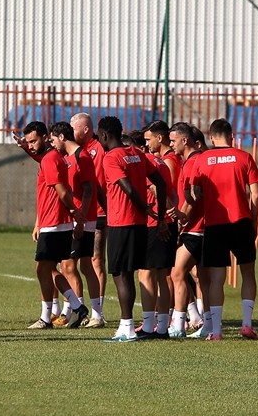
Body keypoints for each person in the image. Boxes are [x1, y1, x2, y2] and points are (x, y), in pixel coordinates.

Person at [96, 116, 167, 342]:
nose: (98, 139)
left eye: (99, 136)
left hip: (121, 222)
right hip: (138, 224)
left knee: (120, 274)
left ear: (105, 135)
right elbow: (161, 182)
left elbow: (126, 188)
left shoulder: (111, 157)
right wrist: (161, 214)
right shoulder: (137, 154)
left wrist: (146, 208)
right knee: (129, 274)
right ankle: (129, 325)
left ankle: (126, 327)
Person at [190, 118, 258, 340]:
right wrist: (253, 220)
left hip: (214, 224)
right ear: (231, 136)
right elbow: (256, 194)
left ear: (211, 137)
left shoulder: (202, 159)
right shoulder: (244, 157)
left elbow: (195, 193)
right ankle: (247, 324)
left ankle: (217, 331)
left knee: (216, 278)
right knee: (248, 273)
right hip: (241, 221)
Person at [23, 121, 88, 329]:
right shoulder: (52, 158)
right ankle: (76, 306)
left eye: (33, 141)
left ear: (45, 137)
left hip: (54, 224)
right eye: (28, 142)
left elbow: (61, 191)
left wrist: (74, 211)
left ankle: (47, 317)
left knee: (43, 268)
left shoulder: (50, 159)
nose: (31, 145)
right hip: (53, 222)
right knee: (46, 269)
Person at [132, 124, 179, 338]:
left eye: (149, 139)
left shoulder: (148, 161)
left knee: (147, 274)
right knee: (162, 276)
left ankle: (150, 325)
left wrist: (159, 217)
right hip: (164, 222)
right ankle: (161, 327)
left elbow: (155, 188)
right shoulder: (160, 161)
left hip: (154, 224)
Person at [167, 122, 206, 338]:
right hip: (199, 226)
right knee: (202, 276)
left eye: (173, 141)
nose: (171, 145)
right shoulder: (192, 160)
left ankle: (179, 324)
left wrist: (183, 219)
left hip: (196, 227)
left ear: (184, 140)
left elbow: (194, 195)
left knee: (177, 272)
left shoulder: (193, 162)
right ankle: (206, 323)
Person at [70, 112, 107, 323]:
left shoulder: (99, 149)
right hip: (80, 213)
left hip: (98, 212)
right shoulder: (76, 151)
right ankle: (78, 308)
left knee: (96, 261)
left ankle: (97, 312)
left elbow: (100, 184)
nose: (71, 132)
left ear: (85, 129)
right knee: (73, 263)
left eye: (74, 128)